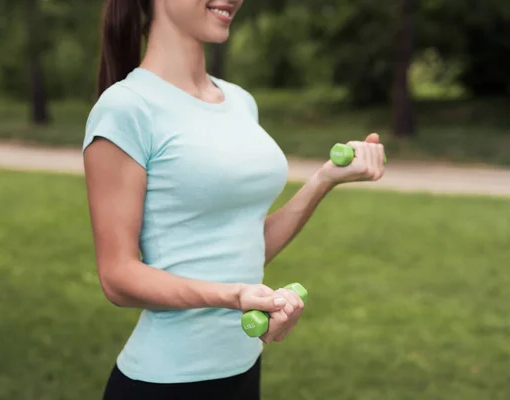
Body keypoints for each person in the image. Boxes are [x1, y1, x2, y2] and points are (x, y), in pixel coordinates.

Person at [82, 0, 386, 399]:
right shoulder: (127, 108)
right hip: (166, 382)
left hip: (242, 369)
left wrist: (325, 179)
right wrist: (234, 296)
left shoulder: (240, 101)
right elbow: (117, 277)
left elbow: (241, 245)